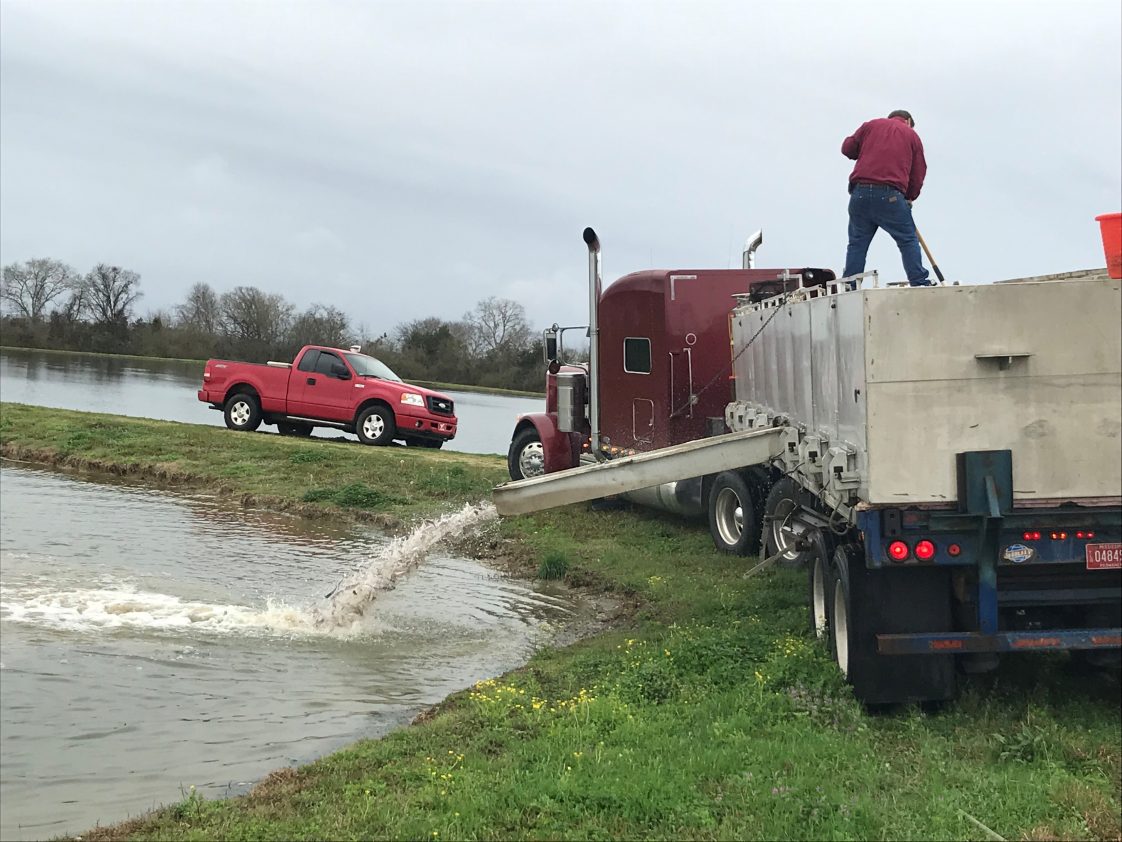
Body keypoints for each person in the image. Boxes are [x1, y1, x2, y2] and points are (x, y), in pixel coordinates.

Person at [841, 109, 931, 286]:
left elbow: (847, 149)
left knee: (857, 244)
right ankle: (919, 282)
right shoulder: (911, 135)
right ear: (908, 121)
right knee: (907, 239)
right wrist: (910, 196)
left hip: (860, 194)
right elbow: (919, 172)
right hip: (890, 196)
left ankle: (850, 285)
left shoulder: (870, 126)